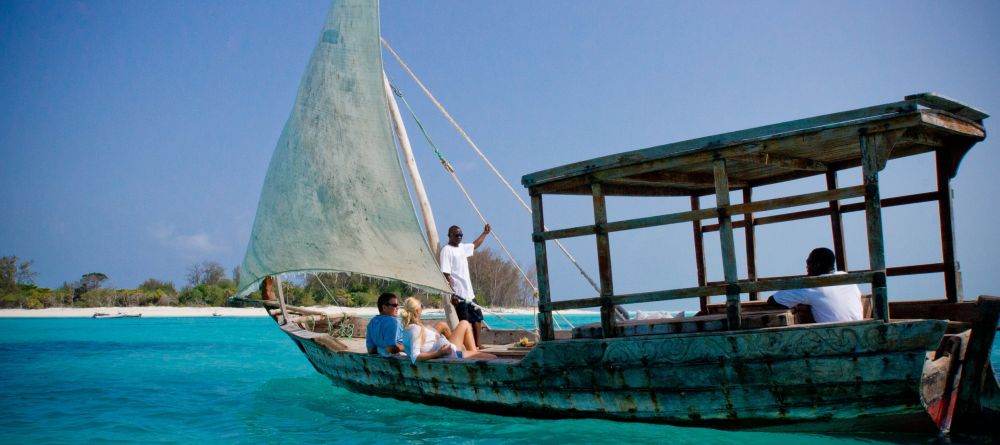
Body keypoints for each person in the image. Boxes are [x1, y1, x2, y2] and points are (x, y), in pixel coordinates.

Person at [767, 247, 863, 323]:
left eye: (809, 263)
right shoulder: (847, 278)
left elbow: (773, 300)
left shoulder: (813, 285)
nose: (806, 267)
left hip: (833, 339)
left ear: (817, 265)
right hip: (860, 333)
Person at [399, 297, 496, 364]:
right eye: (421, 307)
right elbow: (415, 357)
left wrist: (435, 338)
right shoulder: (414, 329)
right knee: (493, 358)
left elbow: (421, 345)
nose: (422, 309)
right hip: (450, 355)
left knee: (464, 323)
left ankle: (474, 356)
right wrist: (438, 353)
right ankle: (474, 358)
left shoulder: (411, 327)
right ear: (417, 310)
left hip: (449, 351)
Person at [440, 224, 490, 348]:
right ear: (449, 235)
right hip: (459, 293)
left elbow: (475, 245)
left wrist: (484, 233)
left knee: (478, 317)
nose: (459, 237)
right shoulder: (446, 250)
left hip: (469, 292)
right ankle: (470, 346)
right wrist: (452, 294)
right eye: (456, 235)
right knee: (465, 321)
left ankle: (478, 344)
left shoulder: (462, 247)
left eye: (461, 235)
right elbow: (446, 273)